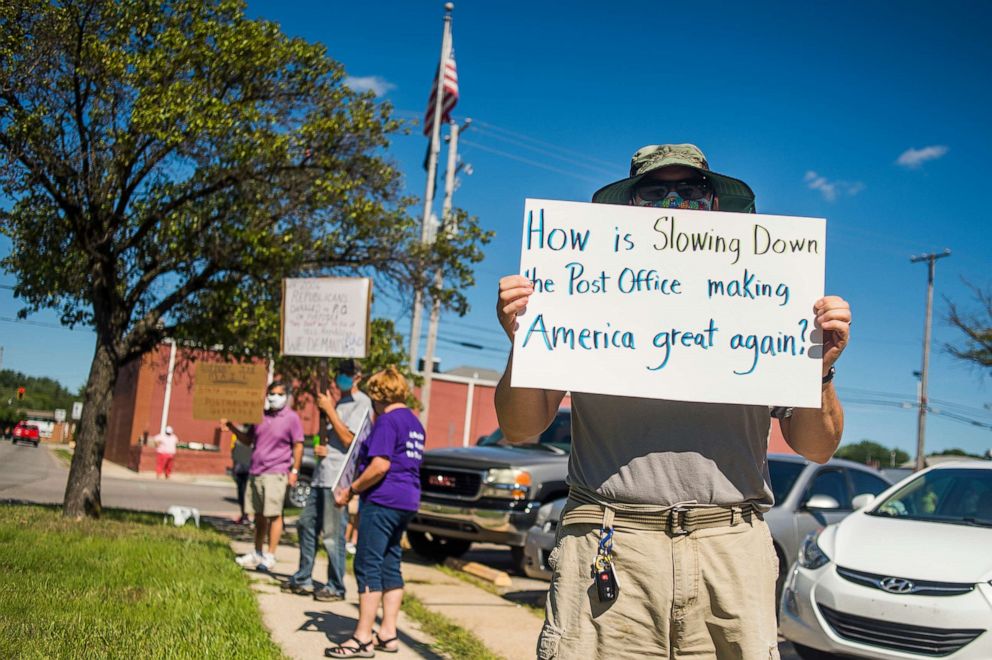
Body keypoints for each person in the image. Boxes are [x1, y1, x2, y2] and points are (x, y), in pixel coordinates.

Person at [495, 144, 852, 659]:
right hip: (610, 541)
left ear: (713, 204)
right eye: (654, 191)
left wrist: (819, 369)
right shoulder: (579, 291)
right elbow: (521, 427)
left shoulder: (767, 295)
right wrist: (523, 341)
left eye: (690, 190)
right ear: (631, 207)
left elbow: (816, 447)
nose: (672, 203)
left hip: (730, 548)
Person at [326, 367, 425, 658]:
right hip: (407, 501)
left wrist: (351, 490)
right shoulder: (414, 423)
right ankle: (388, 633)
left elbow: (379, 465)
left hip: (382, 501)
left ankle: (362, 638)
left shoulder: (387, 421)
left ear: (378, 394)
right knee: (390, 563)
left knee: (368, 565)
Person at [284, 359, 372, 601]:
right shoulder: (341, 401)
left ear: (358, 377)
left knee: (333, 536)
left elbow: (349, 440)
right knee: (305, 524)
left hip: (337, 479)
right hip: (320, 476)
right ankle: (303, 577)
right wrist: (320, 447)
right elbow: (333, 438)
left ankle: (336, 586)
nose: (342, 377)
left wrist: (329, 410)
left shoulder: (362, 403)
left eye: (347, 373)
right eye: (340, 373)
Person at [227, 380, 304, 572]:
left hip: (276, 472)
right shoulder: (260, 416)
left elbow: (298, 445)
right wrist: (231, 426)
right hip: (256, 471)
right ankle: (257, 551)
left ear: (286, 397)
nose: (274, 397)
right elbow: (248, 439)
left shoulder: (292, 418)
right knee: (259, 515)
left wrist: (294, 471)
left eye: (278, 394)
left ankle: (270, 554)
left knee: (274, 514)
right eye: (271, 393)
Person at [231, 431, 253, 525]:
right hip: (240, 469)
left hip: (251, 470)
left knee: (248, 494)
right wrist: (234, 468)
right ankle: (244, 515)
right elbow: (234, 453)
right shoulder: (236, 435)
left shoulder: (256, 435)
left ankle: (249, 516)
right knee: (241, 494)